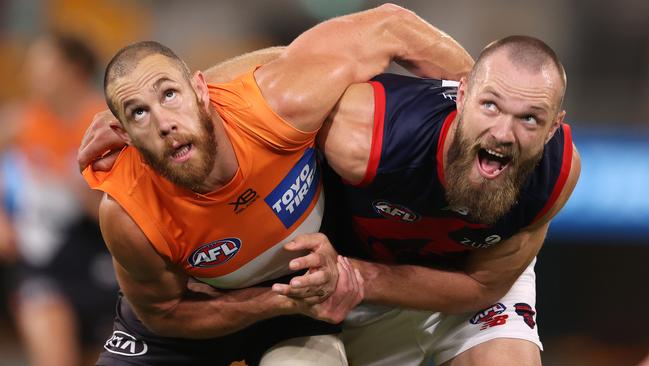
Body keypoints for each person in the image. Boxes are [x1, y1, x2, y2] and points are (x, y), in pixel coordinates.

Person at [80, 35, 579, 365]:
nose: (503, 133)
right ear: (463, 92)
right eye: (489, 104)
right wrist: (173, 102)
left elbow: (479, 286)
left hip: (431, 282)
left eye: (529, 119)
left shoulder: (555, 176)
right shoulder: (361, 133)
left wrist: (357, 276)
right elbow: (353, 41)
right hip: (341, 284)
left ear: (554, 127)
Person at [0, 33, 118, 366]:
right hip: (41, 260)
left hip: (100, 255)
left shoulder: (108, 127)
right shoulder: (18, 122)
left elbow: (127, 213)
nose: (32, 75)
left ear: (74, 70)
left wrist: (78, 191)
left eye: (43, 65)